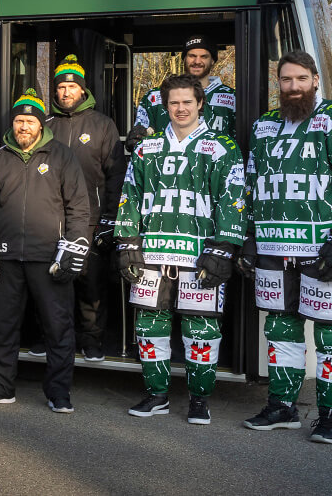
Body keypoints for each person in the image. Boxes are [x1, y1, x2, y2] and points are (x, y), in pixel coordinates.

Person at [240, 51, 332, 445]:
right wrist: (247, 234)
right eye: (286, 80)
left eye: (301, 78)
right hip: (271, 246)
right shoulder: (265, 124)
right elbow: (250, 183)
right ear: (278, 83)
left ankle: (331, 417)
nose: (294, 86)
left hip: (323, 248)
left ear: (315, 80)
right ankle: (282, 408)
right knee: (281, 328)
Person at [114, 75, 246, 425]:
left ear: (200, 103)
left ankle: (199, 399)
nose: (181, 108)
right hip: (153, 254)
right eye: (174, 102)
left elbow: (232, 200)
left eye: (188, 101)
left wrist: (225, 246)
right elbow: (129, 195)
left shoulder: (221, 146)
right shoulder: (147, 147)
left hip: (199, 256)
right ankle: (156, 395)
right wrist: (127, 242)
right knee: (149, 327)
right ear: (165, 106)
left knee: (201, 330)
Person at [0, 91, 90, 412]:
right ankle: (1, 386)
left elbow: (78, 208)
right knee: (3, 327)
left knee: (57, 328)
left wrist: (74, 247)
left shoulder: (61, 156)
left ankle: (59, 392)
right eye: (19, 120)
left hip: (50, 258)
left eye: (30, 121)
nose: (23, 126)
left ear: (41, 124)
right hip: (5, 257)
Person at [45, 56, 126, 362]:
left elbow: (117, 174)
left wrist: (110, 216)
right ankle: (50, 338)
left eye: (71, 87)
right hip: (51, 218)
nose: (66, 92)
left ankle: (91, 341)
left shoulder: (101, 124)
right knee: (51, 282)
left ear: (82, 90)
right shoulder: (46, 124)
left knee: (89, 283)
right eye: (61, 87)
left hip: (90, 219)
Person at [135, 36, 237, 139]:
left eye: (204, 56)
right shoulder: (154, 97)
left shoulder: (232, 97)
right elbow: (140, 138)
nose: (197, 61)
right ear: (184, 58)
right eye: (192, 56)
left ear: (212, 61)